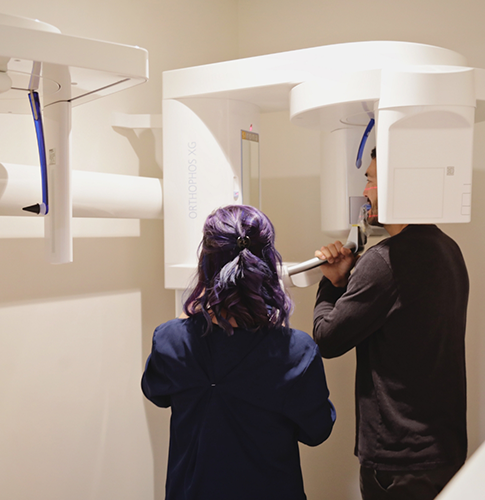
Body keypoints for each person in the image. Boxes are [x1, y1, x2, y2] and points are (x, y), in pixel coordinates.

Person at [142, 205, 336, 500]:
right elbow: (317, 431)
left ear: (205, 263)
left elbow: (156, 392)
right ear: (268, 263)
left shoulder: (170, 339)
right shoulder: (296, 351)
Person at [313, 148, 468, 500]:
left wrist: (330, 284)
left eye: (369, 180)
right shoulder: (449, 250)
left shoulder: (384, 261)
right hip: (445, 451)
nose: (365, 191)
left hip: (400, 461)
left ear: (397, 187)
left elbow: (326, 339)